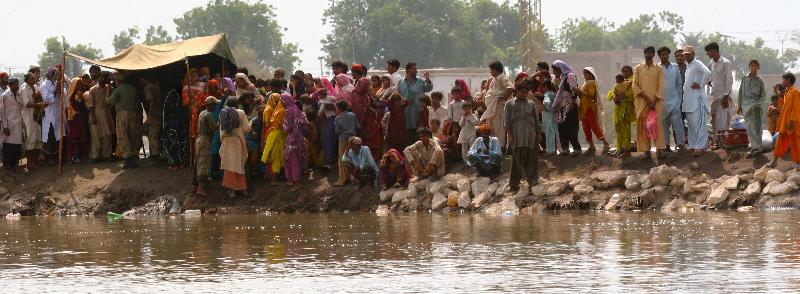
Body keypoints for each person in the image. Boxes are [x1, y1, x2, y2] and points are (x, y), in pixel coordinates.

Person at [505, 82, 540, 191]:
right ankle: (514, 184)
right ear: (517, 91)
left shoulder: (531, 104)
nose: (524, 94)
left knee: (532, 160)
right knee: (516, 162)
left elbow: (537, 121)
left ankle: (533, 180)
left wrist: (538, 134)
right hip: (517, 136)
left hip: (531, 136)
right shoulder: (509, 104)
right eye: (522, 92)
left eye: (526, 92)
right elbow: (507, 123)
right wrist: (510, 136)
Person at [632, 46, 666, 160]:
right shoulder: (638, 68)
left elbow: (661, 86)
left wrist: (655, 100)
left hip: (656, 103)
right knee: (643, 126)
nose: (648, 55)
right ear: (644, 54)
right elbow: (634, 85)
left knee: (656, 125)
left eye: (650, 53)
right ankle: (646, 150)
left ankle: (660, 149)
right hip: (642, 102)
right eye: (646, 53)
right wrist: (646, 97)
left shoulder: (658, 68)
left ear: (653, 55)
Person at [681, 46, 712, 156]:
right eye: (685, 54)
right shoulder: (689, 66)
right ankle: (693, 145)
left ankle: (701, 146)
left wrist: (701, 84)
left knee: (699, 124)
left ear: (693, 54)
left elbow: (707, 72)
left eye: (689, 54)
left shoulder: (697, 63)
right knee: (691, 125)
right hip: (689, 100)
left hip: (697, 99)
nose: (687, 56)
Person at [107, 73, 142, 169]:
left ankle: (127, 159)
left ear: (118, 81)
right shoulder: (133, 89)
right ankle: (135, 157)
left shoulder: (118, 90)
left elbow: (109, 101)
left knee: (123, 136)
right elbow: (138, 103)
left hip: (122, 114)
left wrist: (108, 90)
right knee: (133, 135)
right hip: (133, 113)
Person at [573, 67, 611, 154]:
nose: (585, 76)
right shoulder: (585, 84)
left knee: (594, 126)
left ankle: (606, 143)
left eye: (586, 74)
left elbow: (590, 95)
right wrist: (577, 91)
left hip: (589, 108)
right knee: (586, 128)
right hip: (583, 109)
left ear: (591, 75)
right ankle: (591, 145)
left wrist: (580, 92)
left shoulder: (592, 84)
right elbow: (582, 97)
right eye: (584, 74)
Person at [219, 97, 250, 197]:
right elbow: (246, 128)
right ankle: (243, 189)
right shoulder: (241, 112)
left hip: (227, 142)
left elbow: (222, 130)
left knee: (228, 166)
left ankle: (232, 191)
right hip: (238, 142)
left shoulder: (223, 113)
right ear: (237, 104)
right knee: (239, 165)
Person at [397, 62, 433, 147]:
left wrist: (427, 79)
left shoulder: (420, 80)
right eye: (414, 69)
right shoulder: (401, 82)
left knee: (420, 135)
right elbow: (399, 96)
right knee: (408, 137)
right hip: (406, 112)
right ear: (407, 70)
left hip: (419, 112)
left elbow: (428, 89)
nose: (416, 70)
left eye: (416, 68)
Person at [706, 42, 734, 147]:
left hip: (724, 97)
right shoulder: (711, 64)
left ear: (714, 51)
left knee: (722, 121)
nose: (708, 54)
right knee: (715, 121)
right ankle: (717, 142)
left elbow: (729, 81)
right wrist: (711, 84)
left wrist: (726, 97)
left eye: (709, 52)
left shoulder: (726, 63)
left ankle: (723, 144)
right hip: (714, 96)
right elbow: (709, 79)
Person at [658, 46, 686, 152]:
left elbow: (679, 84)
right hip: (662, 101)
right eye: (662, 54)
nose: (664, 56)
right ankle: (666, 145)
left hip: (675, 101)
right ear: (659, 56)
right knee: (663, 124)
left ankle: (681, 144)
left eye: (666, 54)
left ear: (669, 55)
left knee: (677, 122)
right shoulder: (657, 68)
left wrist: (679, 100)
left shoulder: (675, 67)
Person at [737, 60, 767, 157]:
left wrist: (758, 104)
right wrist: (739, 105)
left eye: (755, 66)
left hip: (756, 107)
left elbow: (763, 96)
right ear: (749, 67)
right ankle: (755, 147)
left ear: (758, 68)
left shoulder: (760, 81)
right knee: (750, 127)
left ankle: (758, 147)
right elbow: (740, 93)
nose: (753, 67)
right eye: (752, 65)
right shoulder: (744, 78)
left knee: (758, 128)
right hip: (746, 106)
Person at [480, 61, 512, 151]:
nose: (490, 72)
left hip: (499, 108)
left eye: (491, 70)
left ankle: (500, 148)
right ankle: (493, 149)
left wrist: (503, 98)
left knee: (499, 129)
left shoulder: (502, 77)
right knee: (492, 128)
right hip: (492, 108)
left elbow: (510, 88)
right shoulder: (494, 79)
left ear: (495, 69)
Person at [551, 60, 581, 155]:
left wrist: (572, 102)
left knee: (570, 126)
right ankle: (565, 148)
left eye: (555, 70)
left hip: (570, 104)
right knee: (562, 126)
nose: (554, 72)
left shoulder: (570, 76)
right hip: (563, 105)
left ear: (560, 69)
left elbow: (574, 90)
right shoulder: (563, 78)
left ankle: (577, 148)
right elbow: (560, 93)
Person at [40, 66, 67, 165]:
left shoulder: (57, 84)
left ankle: (58, 158)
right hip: (49, 117)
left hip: (58, 115)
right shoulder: (44, 86)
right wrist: (56, 89)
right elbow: (47, 100)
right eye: (54, 73)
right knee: (50, 137)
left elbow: (64, 96)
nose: (55, 75)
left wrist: (60, 86)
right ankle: (49, 159)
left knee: (59, 137)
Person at [282, 93, 308, 191]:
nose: (281, 102)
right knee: (296, 158)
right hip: (299, 137)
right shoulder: (296, 109)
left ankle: (296, 182)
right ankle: (293, 180)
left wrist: (283, 126)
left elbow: (289, 127)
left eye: (282, 100)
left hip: (292, 137)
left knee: (292, 159)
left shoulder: (288, 111)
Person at [86, 71, 114, 162]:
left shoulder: (109, 88)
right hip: (96, 114)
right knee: (96, 136)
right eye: (100, 77)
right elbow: (90, 106)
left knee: (107, 135)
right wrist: (93, 117)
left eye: (104, 77)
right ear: (98, 78)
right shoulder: (93, 89)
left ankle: (107, 155)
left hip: (106, 114)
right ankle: (95, 156)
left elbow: (111, 102)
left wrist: (109, 86)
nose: (102, 79)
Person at [195, 96, 219, 196]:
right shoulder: (208, 114)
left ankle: (197, 185)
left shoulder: (202, 113)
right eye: (215, 105)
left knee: (199, 162)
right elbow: (214, 128)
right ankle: (201, 188)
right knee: (204, 163)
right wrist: (220, 120)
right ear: (211, 105)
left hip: (200, 139)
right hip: (205, 140)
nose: (216, 107)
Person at [261, 92, 287, 185]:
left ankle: (274, 177)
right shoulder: (280, 110)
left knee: (274, 155)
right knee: (276, 156)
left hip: (272, 132)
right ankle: (273, 179)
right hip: (276, 134)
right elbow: (270, 123)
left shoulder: (276, 108)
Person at [65, 76, 91, 164]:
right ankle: (75, 157)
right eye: (78, 84)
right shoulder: (72, 97)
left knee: (84, 137)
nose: (80, 86)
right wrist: (80, 99)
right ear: (74, 86)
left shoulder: (83, 93)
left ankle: (83, 156)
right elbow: (77, 107)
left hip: (82, 119)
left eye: (81, 84)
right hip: (74, 121)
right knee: (76, 139)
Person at [19, 73, 42, 168]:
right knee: (30, 139)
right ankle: (29, 163)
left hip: (35, 116)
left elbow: (35, 97)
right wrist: (40, 104)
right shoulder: (24, 89)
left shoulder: (34, 87)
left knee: (37, 137)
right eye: (32, 79)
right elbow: (27, 104)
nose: (35, 80)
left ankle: (34, 160)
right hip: (28, 118)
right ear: (27, 80)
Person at [334, 100, 359, 186]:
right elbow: (358, 126)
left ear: (340, 109)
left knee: (342, 159)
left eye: (336, 107)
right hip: (353, 140)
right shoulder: (352, 115)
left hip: (343, 140)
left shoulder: (338, 118)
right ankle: (354, 177)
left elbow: (337, 131)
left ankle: (343, 179)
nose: (335, 109)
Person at [0, 78, 23, 172]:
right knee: (9, 146)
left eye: (17, 84)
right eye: (15, 85)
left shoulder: (18, 95)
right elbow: (1, 112)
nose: (17, 86)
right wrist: (5, 126)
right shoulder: (4, 96)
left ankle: (15, 165)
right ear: (10, 85)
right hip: (9, 126)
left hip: (18, 124)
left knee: (17, 146)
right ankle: (7, 166)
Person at [142, 76, 163, 163]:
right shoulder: (156, 85)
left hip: (154, 114)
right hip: (159, 112)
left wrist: (149, 116)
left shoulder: (147, 87)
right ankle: (156, 154)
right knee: (156, 135)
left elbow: (152, 101)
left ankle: (155, 156)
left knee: (152, 136)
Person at [542, 79, 557, 156]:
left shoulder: (546, 94)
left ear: (546, 87)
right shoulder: (553, 94)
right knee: (552, 133)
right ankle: (553, 150)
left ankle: (550, 151)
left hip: (548, 116)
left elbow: (547, 102)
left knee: (548, 134)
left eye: (543, 87)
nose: (543, 89)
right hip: (553, 115)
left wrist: (546, 108)